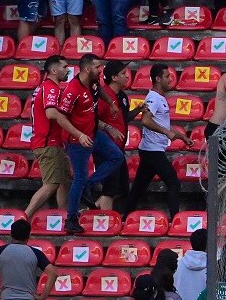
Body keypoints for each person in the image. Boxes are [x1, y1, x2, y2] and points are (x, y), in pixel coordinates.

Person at [56, 56, 122, 234]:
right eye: (97, 67)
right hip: (77, 140)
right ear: (87, 69)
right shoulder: (72, 90)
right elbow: (60, 117)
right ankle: (71, 218)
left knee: (117, 157)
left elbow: (98, 90)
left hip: (93, 132)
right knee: (79, 177)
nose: (101, 70)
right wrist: (79, 134)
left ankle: (90, 184)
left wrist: (111, 103)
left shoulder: (93, 82)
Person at [123, 63, 189, 218]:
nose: (171, 79)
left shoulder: (159, 97)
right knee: (173, 182)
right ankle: (175, 220)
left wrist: (182, 137)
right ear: (158, 79)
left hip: (149, 150)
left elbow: (163, 123)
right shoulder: (153, 98)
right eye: (167, 76)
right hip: (152, 151)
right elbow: (145, 120)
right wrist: (166, 132)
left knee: (139, 187)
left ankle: (125, 217)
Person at [22, 56, 72, 220]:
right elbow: (50, 114)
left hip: (50, 141)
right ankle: (24, 219)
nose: (68, 70)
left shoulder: (41, 88)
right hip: (48, 143)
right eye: (64, 67)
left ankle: (63, 215)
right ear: (54, 70)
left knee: (64, 181)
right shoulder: (51, 88)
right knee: (52, 184)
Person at [94, 61, 135, 211]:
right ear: (114, 77)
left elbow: (124, 118)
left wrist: (139, 110)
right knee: (110, 189)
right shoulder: (104, 97)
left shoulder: (122, 96)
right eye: (123, 74)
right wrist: (108, 128)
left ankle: (94, 208)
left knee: (122, 189)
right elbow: (92, 119)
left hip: (119, 150)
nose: (127, 76)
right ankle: (105, 222)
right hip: (106, 149)